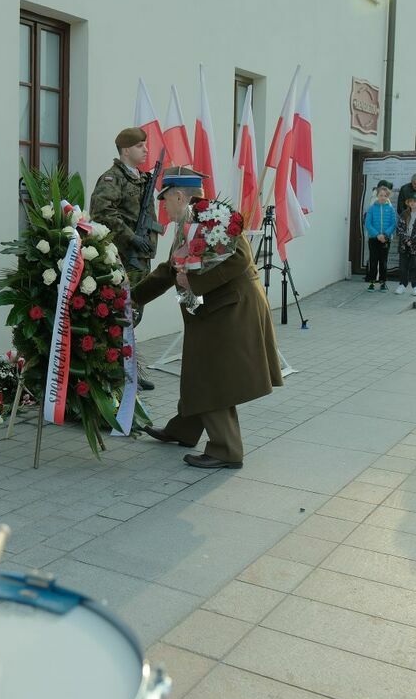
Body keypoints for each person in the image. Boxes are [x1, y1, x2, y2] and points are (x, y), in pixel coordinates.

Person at [133, 169, 283, 469]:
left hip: (233, 309)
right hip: (213, 310)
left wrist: (196, 283)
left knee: (214, 377)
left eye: (165, 201)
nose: (163, 208)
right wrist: (132, 297)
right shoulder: (187, 223)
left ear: (179, 196)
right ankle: (184, 430)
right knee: (197, 371)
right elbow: (168, 269)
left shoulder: (215, 216)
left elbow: (241, 258)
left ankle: (226, 449)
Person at [90, 127, 157, 391]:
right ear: (126, 150)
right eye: (141, 146)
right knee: (119, 317)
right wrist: (130, 237)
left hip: (140, 259)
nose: (146, 150)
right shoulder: (112, 179)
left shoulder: (141, 179)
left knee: (133, 316)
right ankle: (112, 375)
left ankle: (128, 370)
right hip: (122, 260)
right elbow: (101, 212)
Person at [364, 180, 397, 291]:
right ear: (377, 195)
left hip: (385, 239)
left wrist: (386, 234)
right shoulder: (372, 208)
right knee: (373, 261)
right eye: (380, 195)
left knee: (383, 262)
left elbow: (393, 223)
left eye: (385, 195)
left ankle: (383, 282)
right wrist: (377, 235)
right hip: (374, 239)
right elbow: (368, 223)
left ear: (388, 196)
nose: (383, 197)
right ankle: (372, 282)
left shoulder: (391, 209)